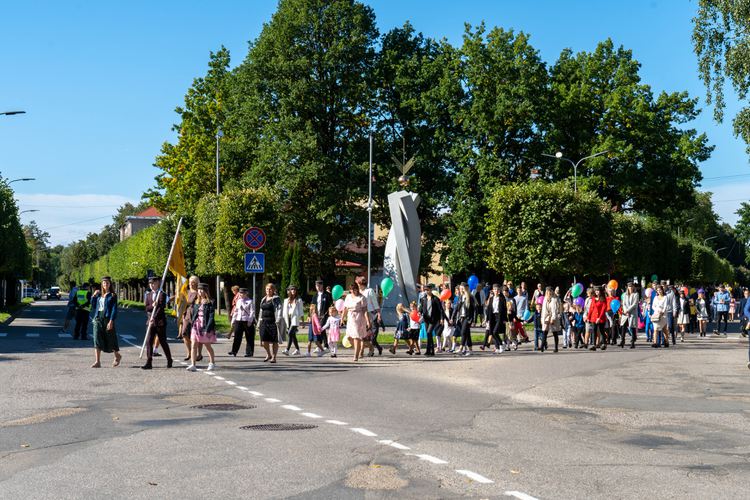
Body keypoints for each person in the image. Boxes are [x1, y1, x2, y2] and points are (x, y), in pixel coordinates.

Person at [142, 276, 173, 370]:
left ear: (158, 283)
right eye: (150, 283)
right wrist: (152, 306)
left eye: (154, 283)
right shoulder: (148, 295)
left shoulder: (162, 294)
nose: (152, 285)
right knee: (149, 342)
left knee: (163, 341)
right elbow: (146, 308)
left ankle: (169, 359)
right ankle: (149, 362)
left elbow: (161, 308)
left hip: (160, 322)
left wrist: (154, 317)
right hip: (150, 322)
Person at [89, 276, 120, 368]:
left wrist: (111, 321)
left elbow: (114, 309)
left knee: (110, 338)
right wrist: (94, 296)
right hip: (98, 318)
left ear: (110, 284)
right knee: (96, 339)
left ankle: (117, 355)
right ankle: (97, 361)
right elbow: (93, 306)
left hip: (107, 318)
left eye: (107, 283)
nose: (105, 284)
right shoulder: (99, 295)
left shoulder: (112, 295)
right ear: (101, 285)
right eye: (104, 283)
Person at [186, 283, 217, 371]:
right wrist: (191, 323)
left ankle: (212, 363)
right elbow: (194, 314)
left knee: (207, 345)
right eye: (199, 290)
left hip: (205, 326)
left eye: (202, 289)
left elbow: (211, 316)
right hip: (196, 326)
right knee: (193, 345)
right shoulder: (196, 301)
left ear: (206, 291)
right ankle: (193, 364)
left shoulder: (210, 302)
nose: (200, 291)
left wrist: (208, 328)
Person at [342, 282, 371, 361]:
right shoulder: (348, 297)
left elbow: (365, 310)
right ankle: (361, 347)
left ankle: (356, 355)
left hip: (359, 318)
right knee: (349, 337)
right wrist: (342, 318)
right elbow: (345, 308)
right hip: (350, 318)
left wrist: (368, 321)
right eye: (352, 290)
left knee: (356, 337)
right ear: (350, 290)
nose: (354, 291)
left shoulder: (362, 297)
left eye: (355, 289)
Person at [357, 276, 383, 357]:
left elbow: (375, 303)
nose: (357, 285)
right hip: (361, 314)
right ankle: (369, 349)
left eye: (358, 283)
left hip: (371, 314)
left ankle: (367, 350)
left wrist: (379, 314)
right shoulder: (358, 292)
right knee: (363, 335)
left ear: (361, 283)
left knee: (371, 335)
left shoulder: (369, 291)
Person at [229, 288, 255, 357]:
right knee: (237, 336)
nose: (241, 294)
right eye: (240, 293)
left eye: (243, 293)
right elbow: (236, 311)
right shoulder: (238, 301)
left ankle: (249, 352)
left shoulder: (250, 301)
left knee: (249, 337)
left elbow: (252, 312)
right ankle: (234, 351)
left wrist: (250, 321)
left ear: (246, 293)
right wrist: (233, 320)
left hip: (247, 320)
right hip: (239, 320)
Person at [179, 276, 200, 361]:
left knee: (196, 335)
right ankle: (189, 351)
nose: (191, 284)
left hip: (195, 315)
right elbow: (180, 299)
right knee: (184, 333)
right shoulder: (186, 292)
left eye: (193, 282)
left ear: (197, 283)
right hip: (186, 315)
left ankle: (198, 353)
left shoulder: (198, 293)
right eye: (190, 282)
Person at [451, 282, 475, 356]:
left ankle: (461, 348)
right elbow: (456, 308)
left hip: (468, 318)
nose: (460, 290)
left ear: (466, 289)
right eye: (460, 288)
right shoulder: (460, 297)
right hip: (461, 318)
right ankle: (470, 350)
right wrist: (452, 317)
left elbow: (474, 310)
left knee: (463, 332)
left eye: (462, 288)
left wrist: (473, 320)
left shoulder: (470, 297)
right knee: (467, 334)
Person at [258, 283, 281, 363]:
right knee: (264, 341)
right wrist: (259, 322)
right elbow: (261, 311)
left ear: (273, 290)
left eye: (270, 289)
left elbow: (279, 309)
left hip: (273, 322)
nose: (268, 290)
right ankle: (269, 354)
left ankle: (274, 357)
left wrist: (278, 319)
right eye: (267, 289)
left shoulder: (276, 299)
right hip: (264, 321)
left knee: (274, 341)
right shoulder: (263, 299)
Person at [419, 284, 443, 357]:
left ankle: (429, 350)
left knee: (429, 332)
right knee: (428, 334)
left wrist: (441, 318)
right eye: (425, 290)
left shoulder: (435, 299)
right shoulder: (423, 299)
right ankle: (430, 351)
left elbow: (440, 310)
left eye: (428, 290)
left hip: (433, 319)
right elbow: (421, 308)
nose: (426, 291)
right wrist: (419, 312)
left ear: (431, 290)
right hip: (426, 319)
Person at [482, 284, 506, 353]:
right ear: (493, 290)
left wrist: (505, 319)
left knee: (495, 332)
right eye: (495, 289)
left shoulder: (502, 299)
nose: (496, 291)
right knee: (492, 332)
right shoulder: (491, 299)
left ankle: (501, 345)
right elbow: (489, 309)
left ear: (499, 291)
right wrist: (487, 319)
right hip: (492, 316)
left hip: (499, 316)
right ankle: (498, 347)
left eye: (497, 289)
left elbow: (504, 309)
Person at [282, 285, 304, 356]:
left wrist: (302, 322)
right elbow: (284, 312)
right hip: (288, 319)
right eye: (292, 289)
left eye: (294, 289)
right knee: (293, 335)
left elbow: (301, 311)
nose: (293, 290)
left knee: (290, 333)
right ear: (289, 291)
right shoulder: (286, 300)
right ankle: (297, 350)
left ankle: (287, 350)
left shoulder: (299, 300)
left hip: (295, 319)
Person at [312, 280, 333, 350]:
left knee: (321, 328)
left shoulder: (327, 295)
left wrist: (330, 313)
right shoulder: (315, 296)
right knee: (319, 329)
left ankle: (324, 345)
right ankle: (322, 345)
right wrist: (310, 315)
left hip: (324, 314)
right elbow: (312, 306)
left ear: (322, 286)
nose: (318, 287)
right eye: (316, 286)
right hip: (316, 315)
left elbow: (331, 305)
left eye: (319, 286)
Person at [541, 286, 562, 352]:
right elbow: (544, 310)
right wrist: (543, 319)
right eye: (547, 292)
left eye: (549, 291)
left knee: (555, 332)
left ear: (551, 292)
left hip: (553, 316)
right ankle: (542, 346)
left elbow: (554, 310)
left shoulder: (554, 299)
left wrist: (553, 318)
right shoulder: (545, 299)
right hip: (547, 316)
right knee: (545, 331)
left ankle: (556, 348)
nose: (548, 293)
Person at [586, 287, 608, 351]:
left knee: (601, 331)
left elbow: (603, 309)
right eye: (595, 291)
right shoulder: (593, 299)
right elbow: (591, 308)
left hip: (601, 317)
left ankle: (604, 343)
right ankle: (594, 345)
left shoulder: (603, 299)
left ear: (600, 291)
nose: (596, 292)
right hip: (594, 317)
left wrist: (599, 318)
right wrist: (588, 317)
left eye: (598, 291)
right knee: (594, 331)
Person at [620, 282, 639, 348]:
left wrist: (628, 310)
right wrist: (625, 310)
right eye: (629, 286)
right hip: (625, 313)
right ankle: (622, 340)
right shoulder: (625, 294)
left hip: (632, 313)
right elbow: (624, 303)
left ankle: (632, 342)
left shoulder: (636, 294)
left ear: (633, 287)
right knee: (623, 326)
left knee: (632, 327)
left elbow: (635, 304)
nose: (630, 288)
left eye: (631, 286)